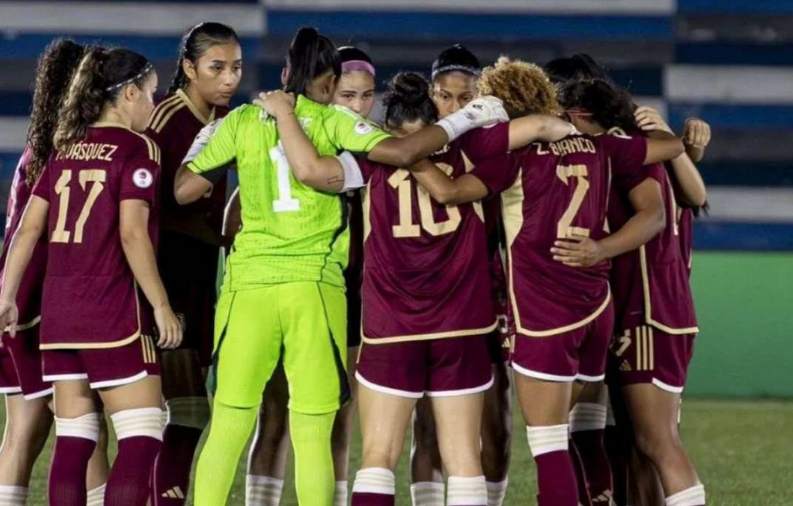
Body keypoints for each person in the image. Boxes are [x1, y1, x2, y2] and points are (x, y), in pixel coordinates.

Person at [174, 26, 506, 506]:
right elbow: (403, 152)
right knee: (313, 432)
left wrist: (204, 143)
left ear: (285, 75)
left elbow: (185, 190)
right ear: (330, 84)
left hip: (248, 290)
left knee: (229, 424)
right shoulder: (334, 122)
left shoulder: (243, 120)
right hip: (314, 289)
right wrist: (466, 118)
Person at [254, 68, 576, 506]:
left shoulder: (369, 158)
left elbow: (310, 172)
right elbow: (540, 126)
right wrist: (572, 133)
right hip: (462, 325)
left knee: (377, 456)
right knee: (464, 459)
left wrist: (285, 115)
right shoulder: (472, 148)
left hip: (391, 327)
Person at [405, 57, 685, 506]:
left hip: (545, 314)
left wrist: (411, 158)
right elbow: (668, 148)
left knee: (549, 444)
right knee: (580, 427)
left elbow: (450, 192)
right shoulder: (598, 146)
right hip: (597, 309)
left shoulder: (510, 158)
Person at [0, 46, 182, 506]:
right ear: (129, 94)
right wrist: (160, 305)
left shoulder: (65, 147)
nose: (154, 104)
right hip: (113, 314)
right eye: (151, 93)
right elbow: (132, 234)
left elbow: (28, 229)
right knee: (142, 435)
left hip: (59, 319)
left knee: (74, 441)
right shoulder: (138, 148)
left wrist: (8, 299)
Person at [546, 54, 711, 506]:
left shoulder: (619, 149)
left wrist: (597, 250)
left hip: (648, 312)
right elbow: (696, 196)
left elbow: (661, 213)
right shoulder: (643, 144)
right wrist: (685, 148)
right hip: (641, 309)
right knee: (634, 445)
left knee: (656, 442)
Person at [244, 44, 378, 506]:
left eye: (366, 96)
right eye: (347, 95)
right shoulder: (290, 137)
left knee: (338, 417)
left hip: (351, 295)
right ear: (326, 90)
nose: (357, 106)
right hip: (289, 285)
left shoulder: (369, 147)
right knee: (274, 415)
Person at [0, 38, 110, 506]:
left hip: (4, 296)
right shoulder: (75, 149)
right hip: (40, 302)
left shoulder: (35, 147)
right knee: (86, 426)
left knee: (22, 434)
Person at [143, 22, 242, 506]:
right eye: (217, 68)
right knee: (183, 409)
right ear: (188, 67)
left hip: (204, 270)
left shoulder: (228, 118)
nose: (229, 79)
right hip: (167, 271)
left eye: (236, 68)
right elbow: (146, 209)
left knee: (187, 411)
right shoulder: (163, 120)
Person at [412, 44, 514, 506]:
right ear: (430, 94)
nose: (454, 106)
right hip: (424, 293)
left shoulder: (493, 146)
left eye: (465, 97)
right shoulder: (409, 143)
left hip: (483, 294)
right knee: (427, 422)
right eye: (444, 96)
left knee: (495, 419)